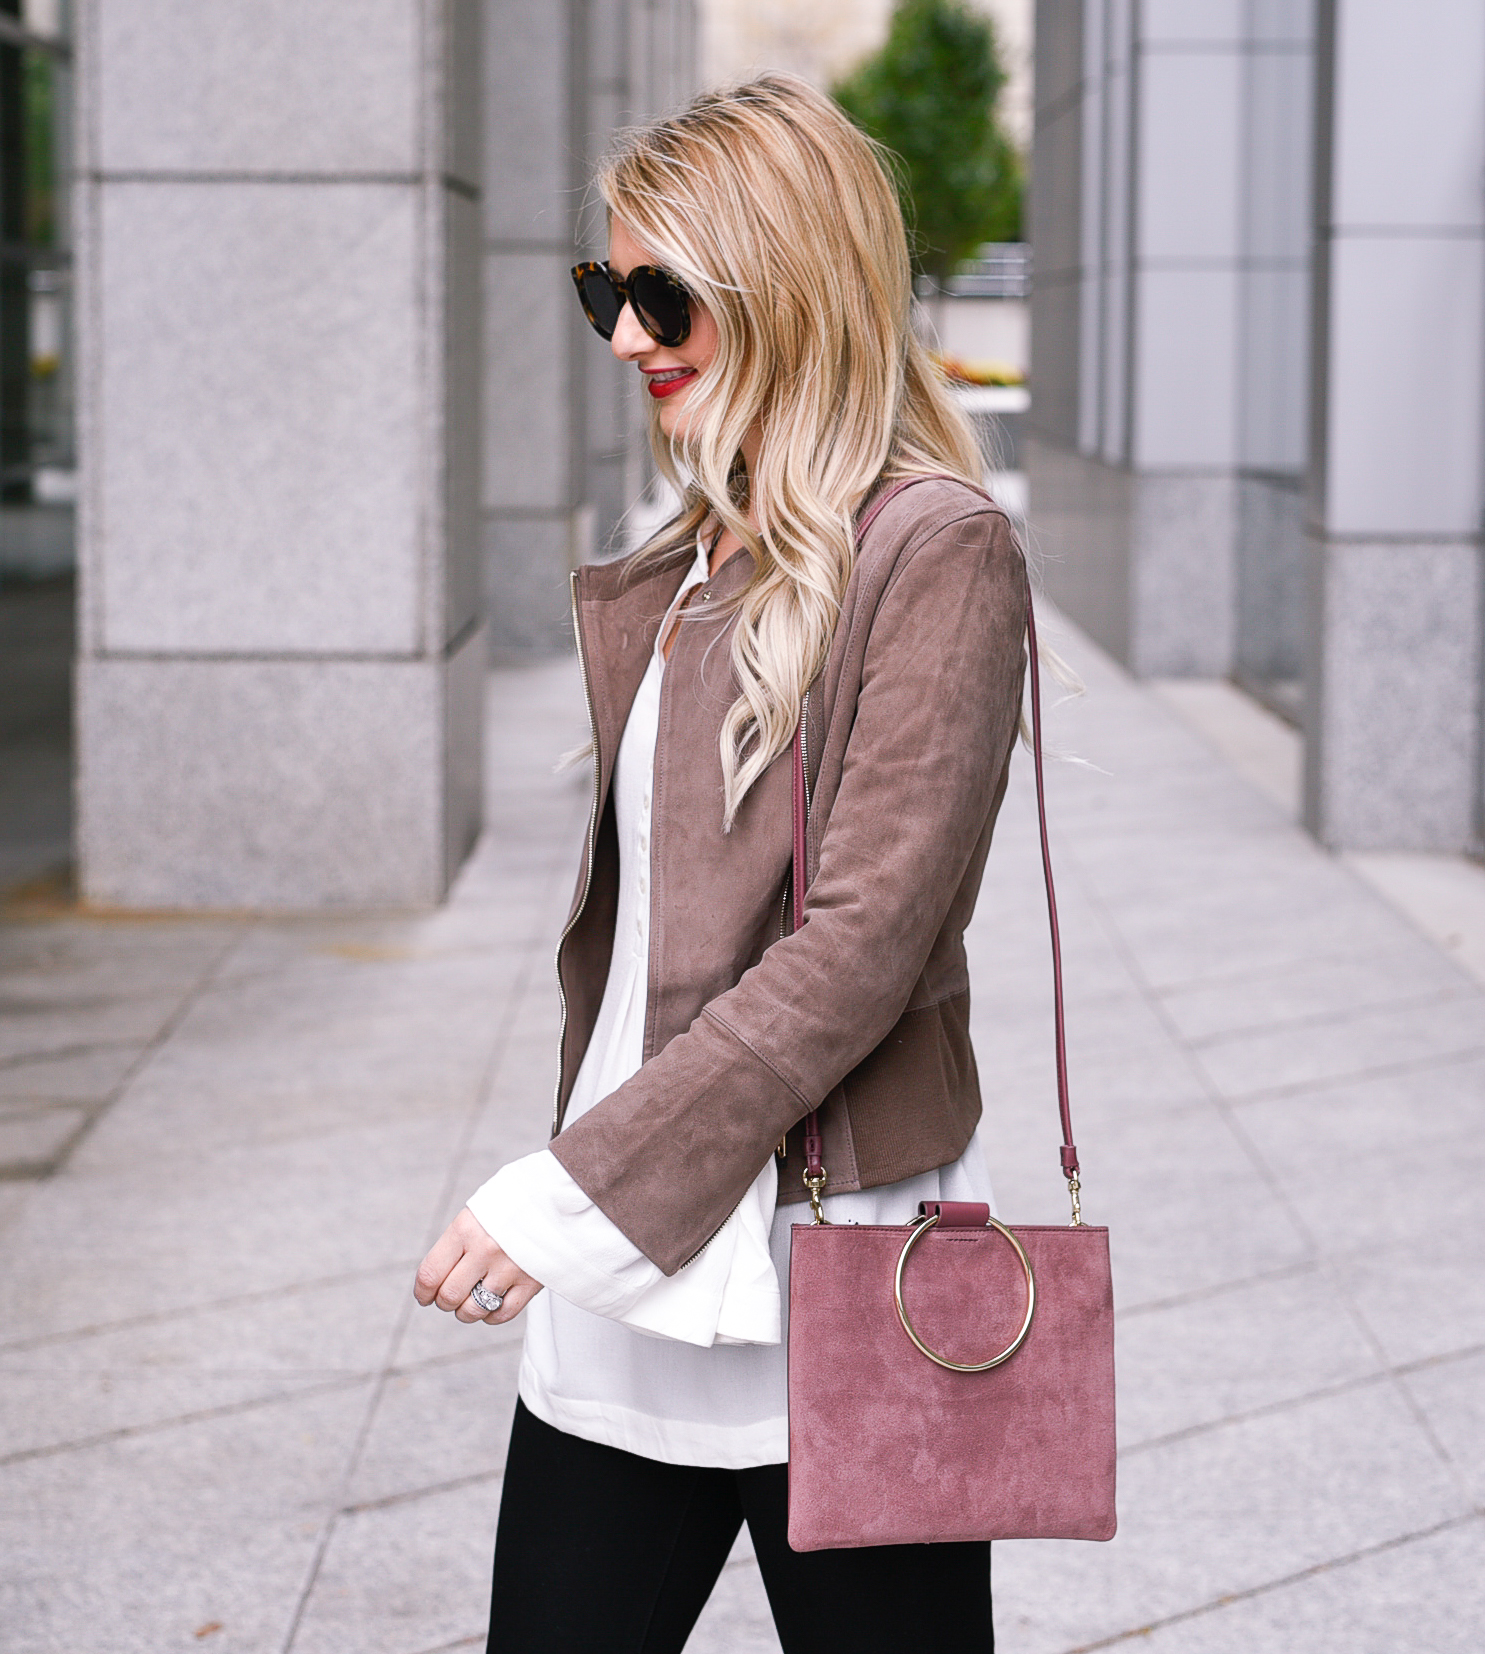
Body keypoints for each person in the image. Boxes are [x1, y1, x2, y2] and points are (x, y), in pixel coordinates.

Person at [413, 73, 1028, 1654]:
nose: (625, 333)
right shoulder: (692, 561)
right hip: (631, 1279)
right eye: (604, 288)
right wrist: (596, 1190)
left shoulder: (935, 548)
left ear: (788, 285)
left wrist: (569, 1185)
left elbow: (860, 942)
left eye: (662, 290)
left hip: (825, 1267)